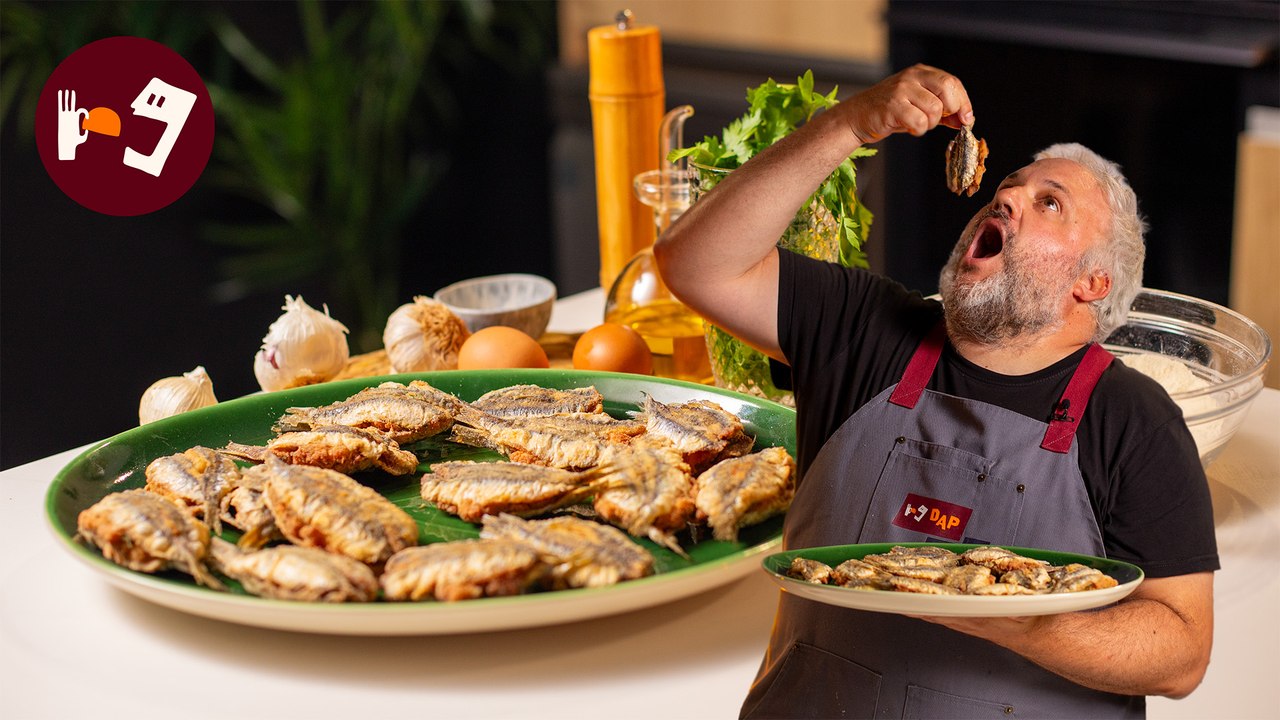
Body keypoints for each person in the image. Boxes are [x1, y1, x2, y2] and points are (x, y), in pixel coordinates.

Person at [654, 64, 1217, 719]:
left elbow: (1181, 651)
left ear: (1092, 283)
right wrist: (851, 124)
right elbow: (693, 264)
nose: (1007, 199)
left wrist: (1023, 622)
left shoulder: (1135, 423)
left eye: (1049, 203)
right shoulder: (864, 329)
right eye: (1008, 188)